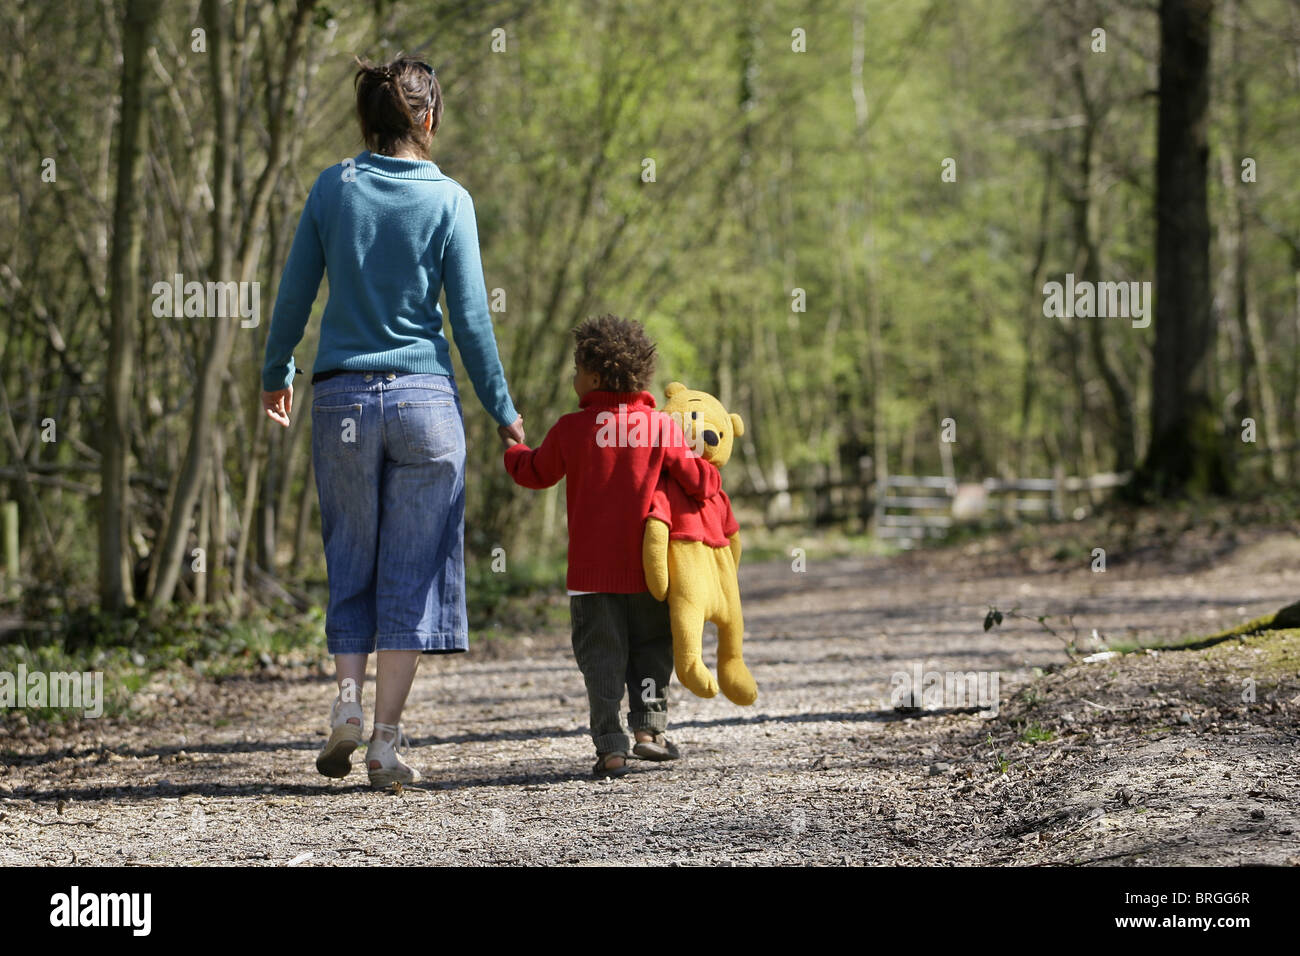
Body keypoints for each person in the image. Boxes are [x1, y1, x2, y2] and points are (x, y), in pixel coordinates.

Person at [260, 55, 524, 787]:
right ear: (428, 119)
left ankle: (345, 705)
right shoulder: (450, 200)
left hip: (342, 399)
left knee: (351, 561)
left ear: (366, 122)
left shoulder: (333, 188)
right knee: (412, 576)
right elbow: (471, 323)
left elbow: (293, 295)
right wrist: (503, 410)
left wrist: (274, 371)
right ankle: (385, 742)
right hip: (424, 407)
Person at [502, 315, 718, 777]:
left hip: (590, 577)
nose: (572, 378)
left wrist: (512, 445)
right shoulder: (661, 427)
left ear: (596, 376)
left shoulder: (572, 429)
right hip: (649, 571)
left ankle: (611, 748)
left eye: (577, 369)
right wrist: (711, 465)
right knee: (650, 648)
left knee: (601, 659)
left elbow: (534, 473)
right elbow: (699, 483)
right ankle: (648, 731)